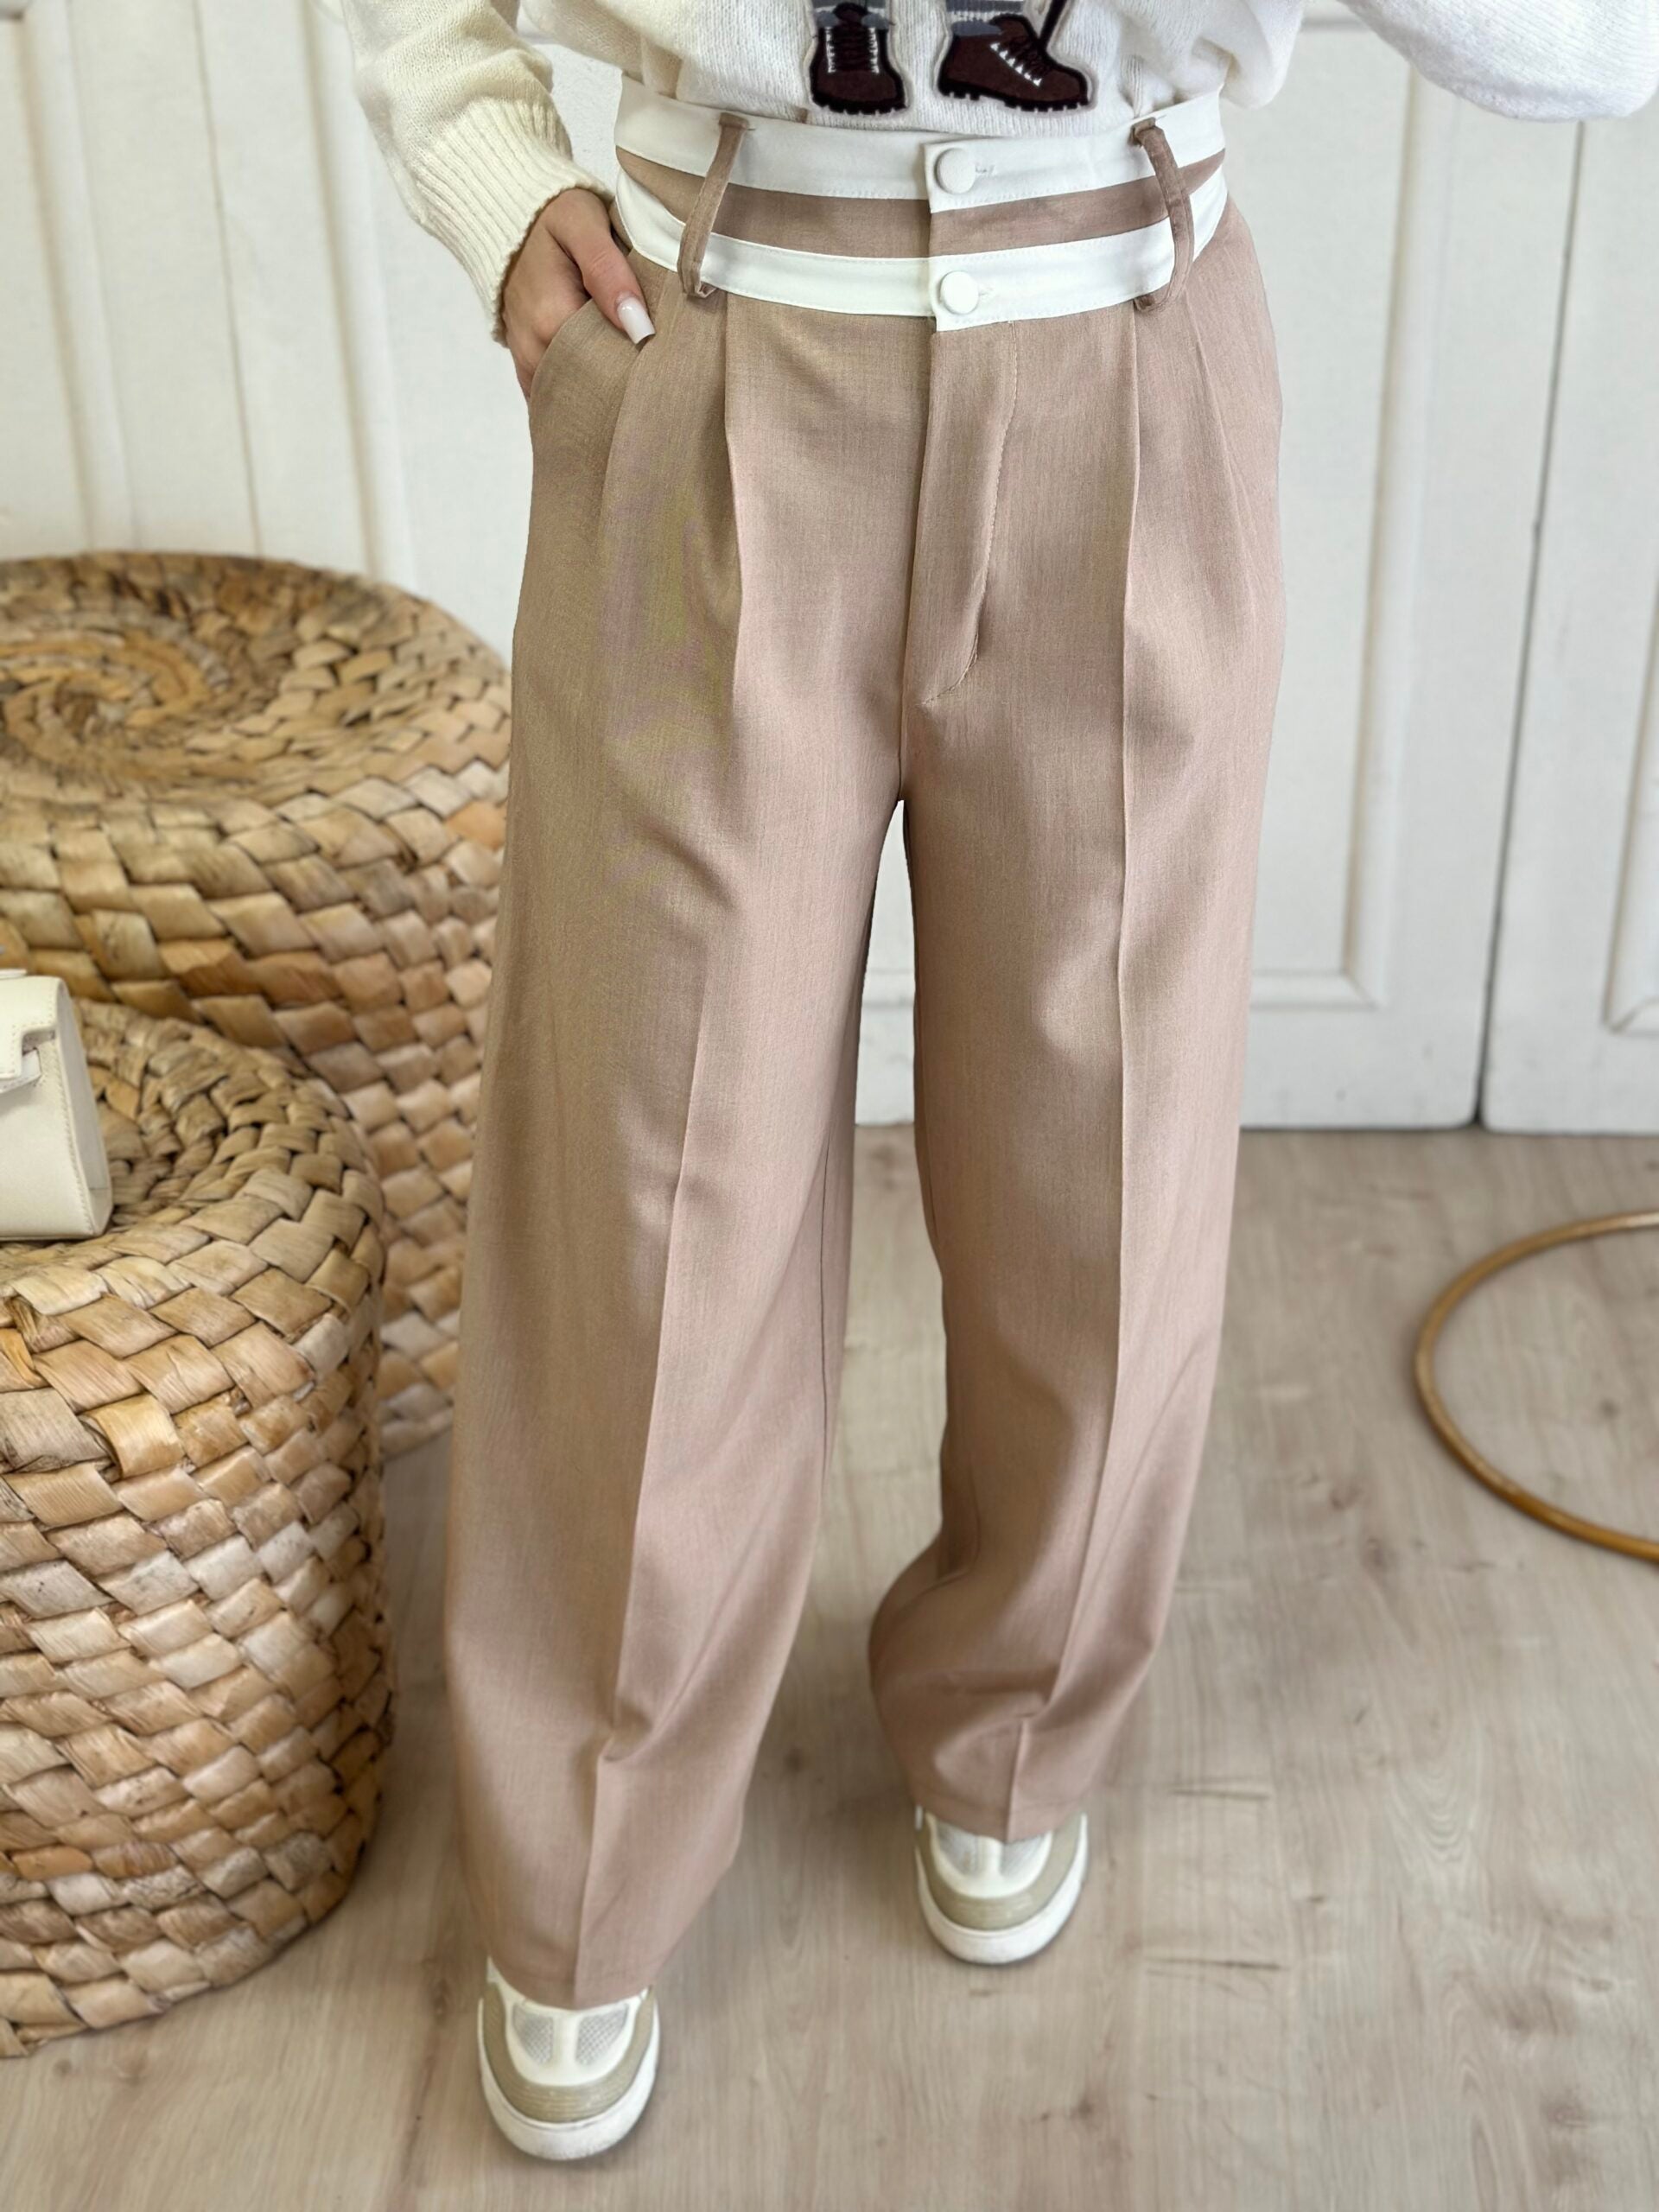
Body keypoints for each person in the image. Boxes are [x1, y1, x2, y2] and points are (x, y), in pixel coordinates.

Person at [340, 0, 1658, 2163]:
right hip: (714, 339)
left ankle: (1022, 1711)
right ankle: (585, 1840)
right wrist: (492, 178)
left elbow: (1594, 49)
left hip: (1122, 351)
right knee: (658, 1170)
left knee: (1102, 1153)